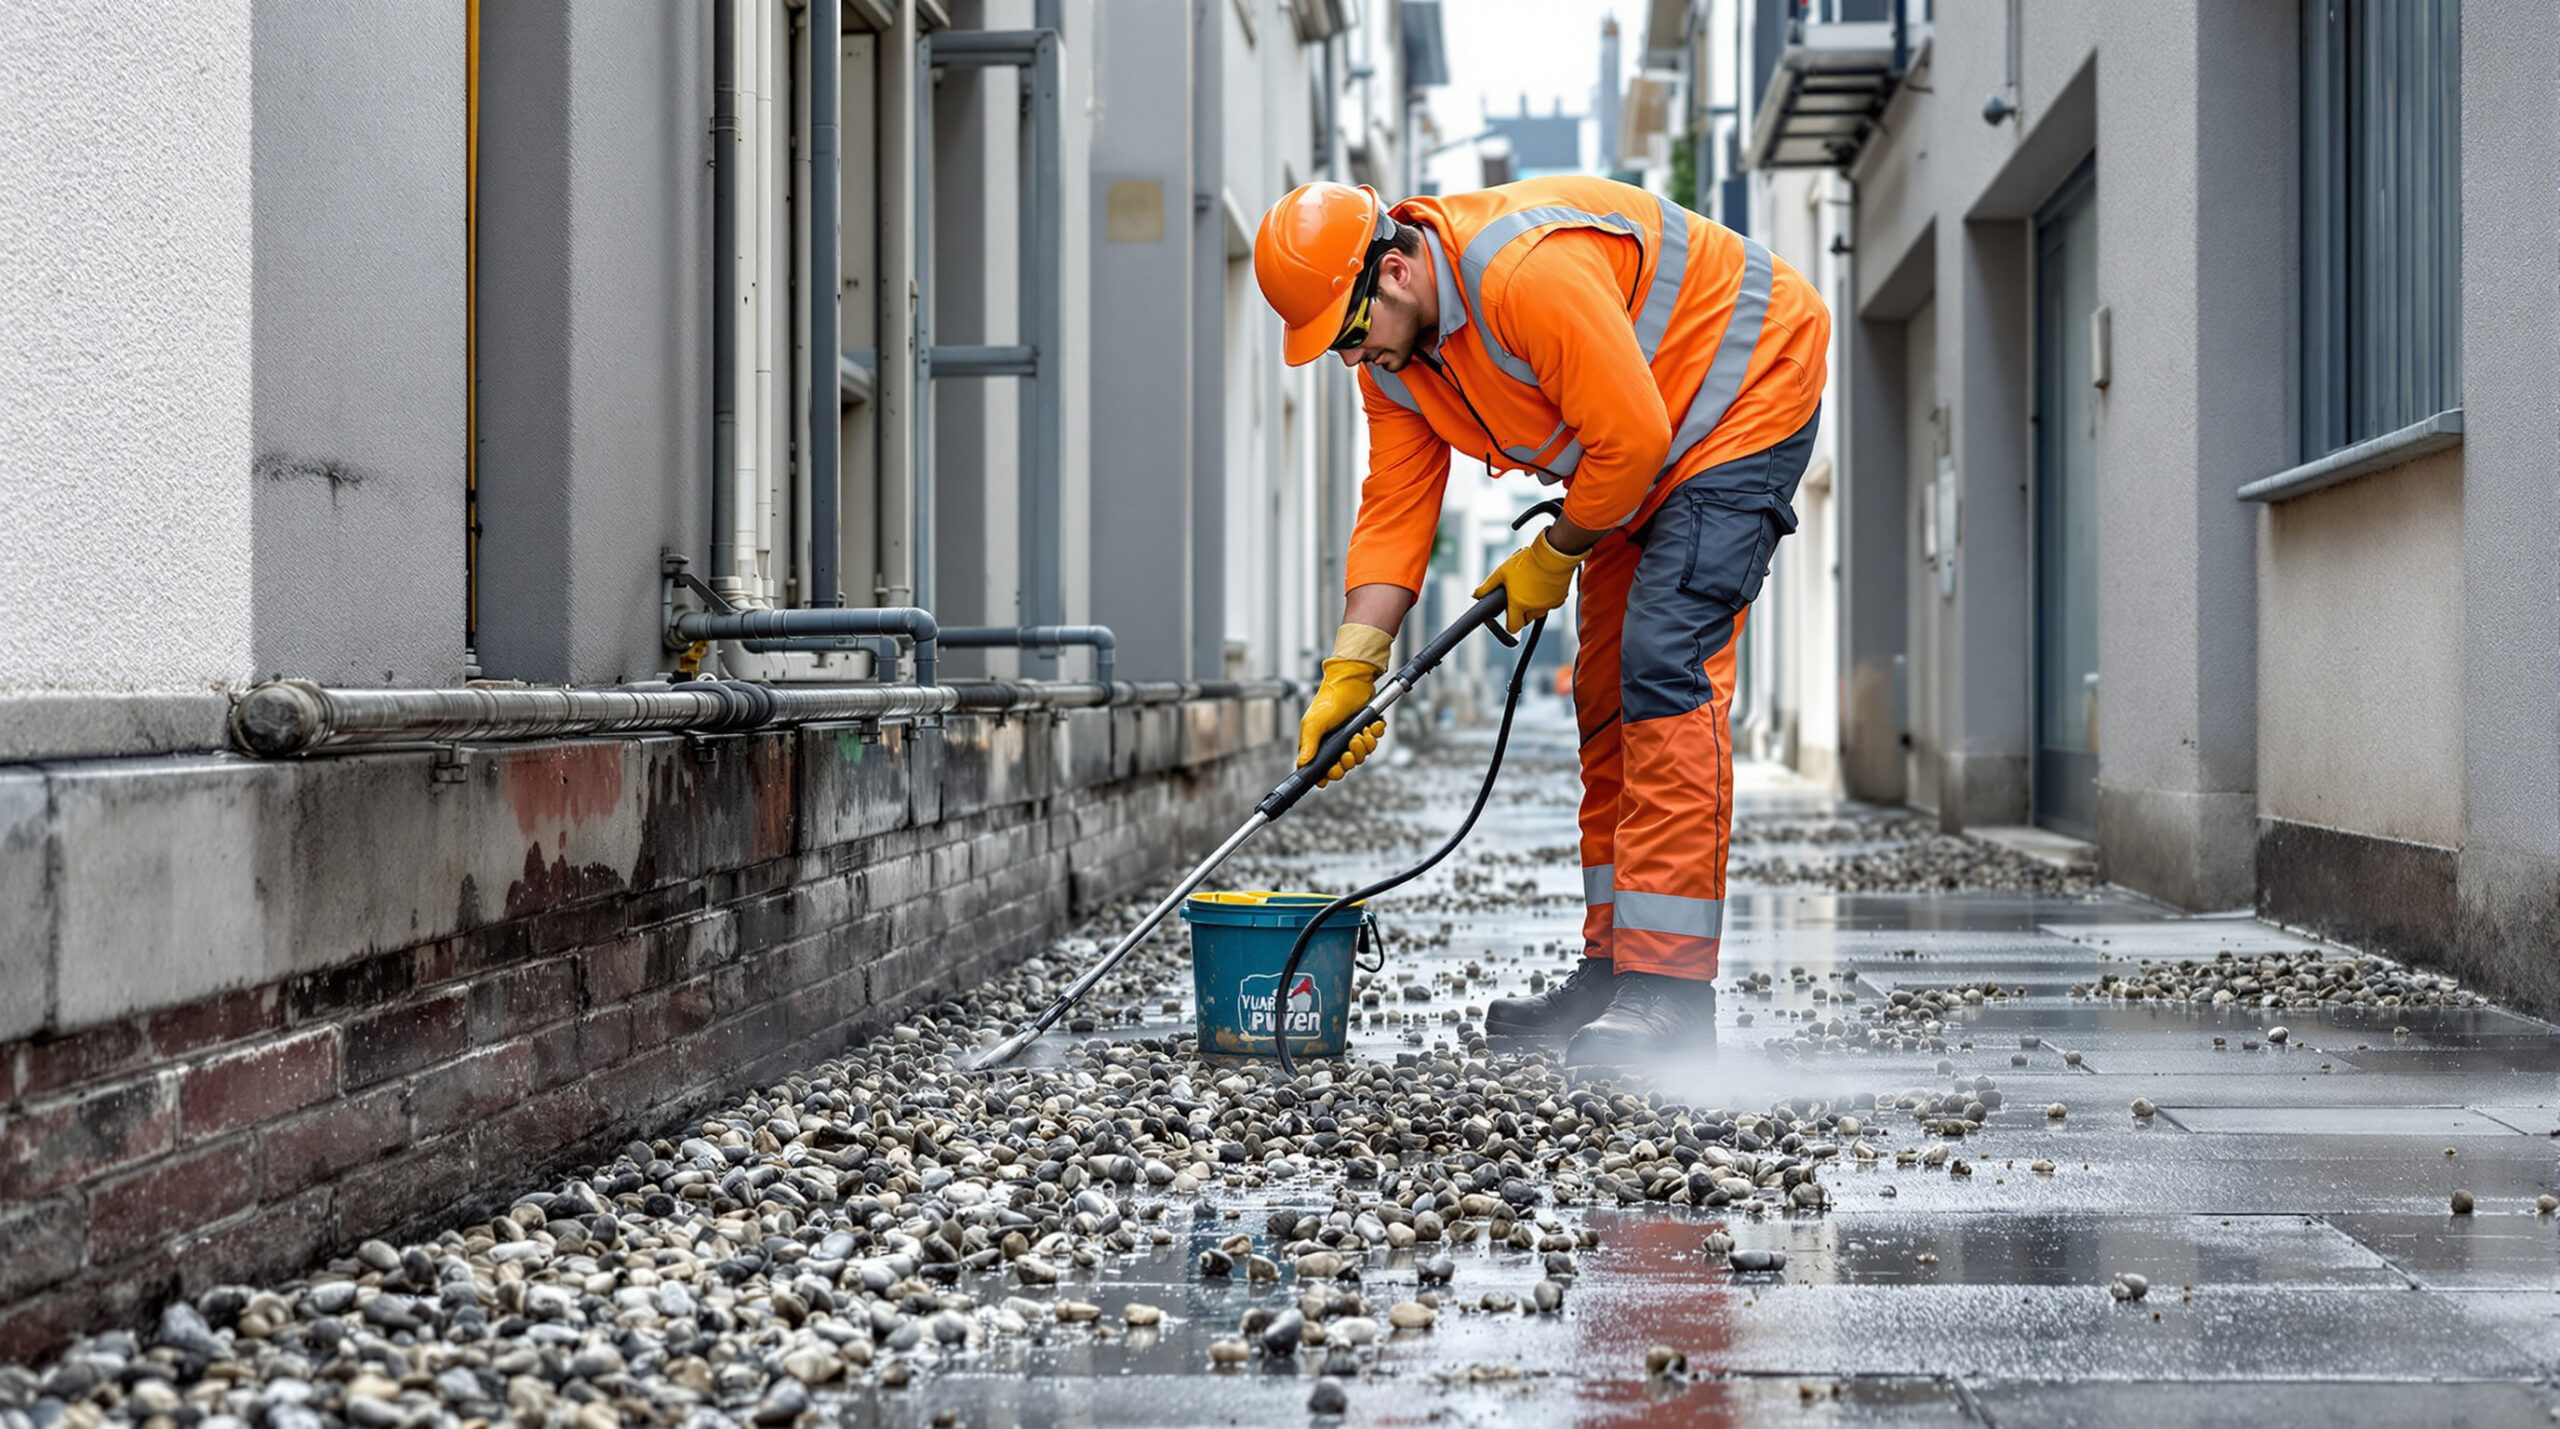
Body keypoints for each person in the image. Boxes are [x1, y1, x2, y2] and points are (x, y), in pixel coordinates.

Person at [1252, 176, 1828, 1064]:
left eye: (1349, 331)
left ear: (1395, 272)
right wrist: (1351, 671)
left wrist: (1553, 553)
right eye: (1337, 344)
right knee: (1605, 692)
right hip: (1637, 452)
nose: (1350, 354)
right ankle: (1615, 968)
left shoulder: (1523, 274)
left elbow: (1632, 439)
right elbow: (1395, 511)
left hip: (1741, 396)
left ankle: (1671, 991)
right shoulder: (1397, 368)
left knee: (1664, 667)